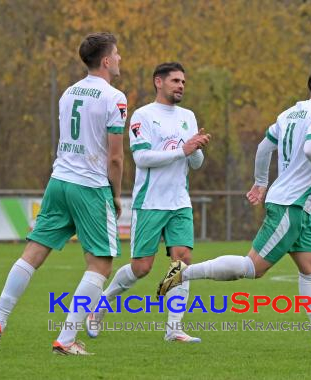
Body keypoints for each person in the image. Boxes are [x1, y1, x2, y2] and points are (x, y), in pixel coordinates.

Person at [157, 67, 311, 352]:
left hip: (299, 207)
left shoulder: (290, 113)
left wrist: (261, 183)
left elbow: (265, 147)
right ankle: (182, 273)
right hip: (291, 205)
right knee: (252, 268)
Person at [0, 32, 127, 355]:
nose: (118, 60)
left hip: (58, 182)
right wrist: (115, 196)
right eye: (116, 55)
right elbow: (115, 157)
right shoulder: (115, 97)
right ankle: (66, 338)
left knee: (32, 254)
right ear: (105, 60)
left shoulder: (67, 93)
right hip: (90, 187)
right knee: (101, 264)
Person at [86, 62, 210, 343]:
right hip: (151, 202)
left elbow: (196, 164)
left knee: (183, 261)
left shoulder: (188, 116)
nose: (181, 86)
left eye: (183, 82)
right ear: (159, 82)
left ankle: (173, 329)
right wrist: (183, 149)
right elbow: (142, 158)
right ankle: (100, 305)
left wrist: (196, 148)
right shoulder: (143, 115)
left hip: (180, 201)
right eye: (175, 81)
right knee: (141, 268)